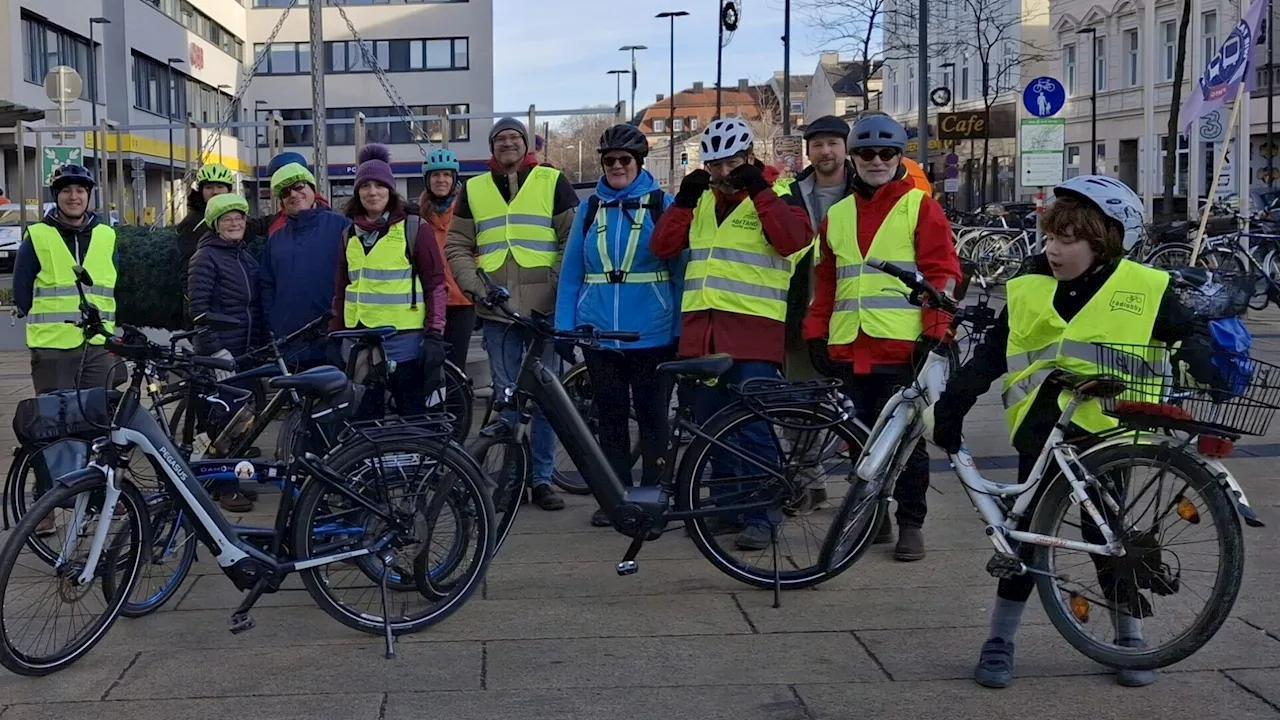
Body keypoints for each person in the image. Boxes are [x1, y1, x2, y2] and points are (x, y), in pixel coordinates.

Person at [930, 175, 1222, 689]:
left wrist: (1203, 355)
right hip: (1043, 435)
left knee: (1108, 537)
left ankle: (1127, 637)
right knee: (1023, 539)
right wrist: (956, 399)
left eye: (1069, 240)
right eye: (1050, 237)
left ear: (1105, 240)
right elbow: (993, 354)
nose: (1054, 249)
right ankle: (999, 641)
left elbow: (1191, 333)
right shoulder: (1027, 288)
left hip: (1110, 434)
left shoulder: (1144, 287)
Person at [650, 118, 814, 550]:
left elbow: (793, 240)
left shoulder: (778, 195)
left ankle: (763, 514)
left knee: (753, 428)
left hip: (754, 333)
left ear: (749, 159)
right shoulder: (701, 201)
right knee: (710, 427)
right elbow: (662, 247)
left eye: (731, 163)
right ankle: (725, 508)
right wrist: (683, 201)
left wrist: (759, 189)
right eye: (715, 165)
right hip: (703, 335)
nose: (722, 173)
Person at [803, 114, 961, 562]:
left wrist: (934, 335)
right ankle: (875, 516)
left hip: (903, 347)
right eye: (867, 153)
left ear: (899, 158)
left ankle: (911, 523)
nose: (876, 161)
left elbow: (943, 275)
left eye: (886, 153)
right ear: (853, 158)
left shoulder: (919, 207)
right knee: (859, 441)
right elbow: (827, 282)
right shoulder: (836, 216)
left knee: (907, 444)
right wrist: (816, 332)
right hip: (849, 346)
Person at [446, 117, 580, 512]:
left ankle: (540, 480)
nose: (507, 143)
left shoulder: (552, 182)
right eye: (500, 139)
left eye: (514, 137)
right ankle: (510, 479)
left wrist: (556, 288)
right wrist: (478, 290)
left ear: (526, 145)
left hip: (544, 310)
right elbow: (456, 244)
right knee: (507, 399)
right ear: (492, 148)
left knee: (543, 401)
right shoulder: (473, 189)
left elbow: (572, 239)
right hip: (498, 312)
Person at [556, 124, 680, 527]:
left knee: (652, 417)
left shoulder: (664, 203)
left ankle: (654, 497)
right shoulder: (591, 208)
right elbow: (572, 270)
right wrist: (565, 326)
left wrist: (680, 330)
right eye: (609, 161)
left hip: (652, 331)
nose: (616, 167)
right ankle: (614, 496)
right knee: (608, 418)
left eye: (624, 160)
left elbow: (679, 272)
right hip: (599, 333)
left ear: (638, 162)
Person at [776, 116, 858, 510]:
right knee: (800, 406)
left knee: (861, 411)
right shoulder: (790, 193)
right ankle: (810, 485)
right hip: (801, 315)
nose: (826, 152)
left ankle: (871, 504)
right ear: (808, 151)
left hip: (860, 315)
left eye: (833, 144)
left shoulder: (868, 190)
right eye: (818, 144)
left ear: (845, 148)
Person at [331, 144, 448, 419]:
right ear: (357, 192)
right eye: (365, 186)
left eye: (380, 185)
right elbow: (341, 289)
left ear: (390, 190)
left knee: (414, 418)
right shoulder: (349, 234)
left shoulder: (414, 228)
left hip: (405, 343)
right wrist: (334, 334)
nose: (373, 192)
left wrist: (434, 335)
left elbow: (435, 285)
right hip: (362, 344)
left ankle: (419, 461)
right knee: (366, 422)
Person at [14, 165, 120, 394]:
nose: (74, 197)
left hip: (98, 344)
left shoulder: (106, 235)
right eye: (66, 191)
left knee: (98, 416)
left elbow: (116, 285)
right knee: (57, 419)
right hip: (53, 347)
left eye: (80, 190)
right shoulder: (38, 236)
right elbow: (21, 291)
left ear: (88, 195)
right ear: (56, 196)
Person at [187, 193, 263, 512]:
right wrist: (214, 352)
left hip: (243, 352)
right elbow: (199, 310)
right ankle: (224, 489)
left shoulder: (242, 256)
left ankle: (231, 479)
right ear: (215, 225)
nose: (235, 223)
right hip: (219, 354)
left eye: (239, 217)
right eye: (227, 219)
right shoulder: (206, 257)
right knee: (223, 423)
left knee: (242, 421)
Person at [260, 160, 351, 369]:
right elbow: (266, 284)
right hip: (291, 342)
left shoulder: (341, 226)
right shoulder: (276, 239)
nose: (293, 194)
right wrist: (272, 321)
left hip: (333, 337)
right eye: (285, 191)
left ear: (312, 189)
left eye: (299, 186)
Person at [418, 148, 474, 369]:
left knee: (455, 365)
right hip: (429, 299)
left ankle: (458, 405)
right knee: (428, 364)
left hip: (461, 301)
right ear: (427, 180)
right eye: (435, 175)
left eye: (447, 175)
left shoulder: (467, 212)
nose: (441, 180)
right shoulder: (417, 216)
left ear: (454, 179)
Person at [177, 163, 236, 327]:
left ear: (228, 190)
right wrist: (195, 305)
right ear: (201, 191)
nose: (215, 191)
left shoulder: (232, 218)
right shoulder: (192, 224)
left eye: (220, 186)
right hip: (206, 305)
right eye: (209, 187)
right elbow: (186, 265)